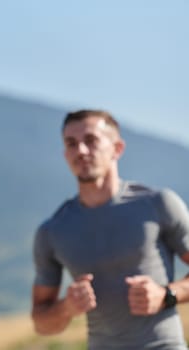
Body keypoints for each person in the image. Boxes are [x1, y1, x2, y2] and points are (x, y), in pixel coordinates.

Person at [31, 109, 189, 349]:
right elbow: (41, 323)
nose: (81, 150)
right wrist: (66, 308)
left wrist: (166, 295)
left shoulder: (158, 204)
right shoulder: (53, 231)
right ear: (65, 154)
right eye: (71, 143)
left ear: (117, 148)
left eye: (91, 140)